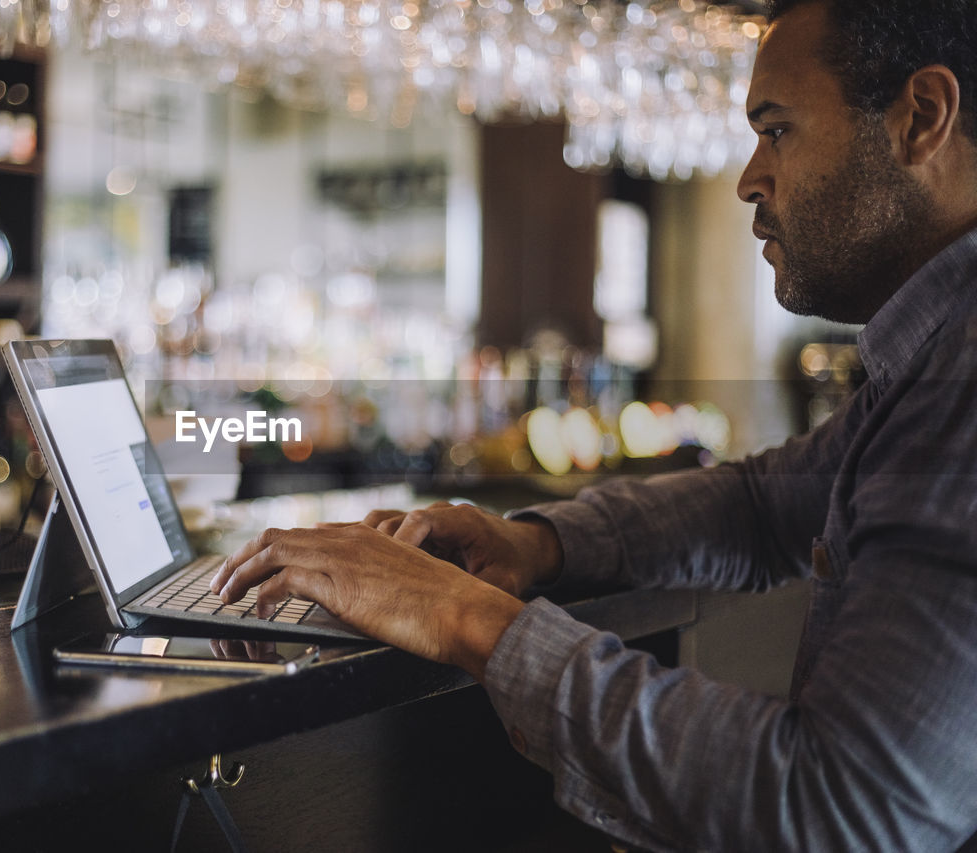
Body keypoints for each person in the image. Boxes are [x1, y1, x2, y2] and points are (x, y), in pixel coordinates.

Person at [211, 0, 977, 848]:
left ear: (921, 119)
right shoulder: (932, 361)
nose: (749, 178)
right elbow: (764, 506)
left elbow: (843, 807)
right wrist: (538, 542)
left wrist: (465, 618)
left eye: (778, 129)